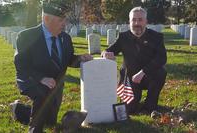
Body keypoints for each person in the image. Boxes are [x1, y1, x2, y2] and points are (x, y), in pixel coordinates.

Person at [14, 1, 92, 132]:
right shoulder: (26, 36)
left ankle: (18, 109)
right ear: (46, 19)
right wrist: (41, 78)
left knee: (50, 121)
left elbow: (68, 59)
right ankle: (34, 129)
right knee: (42, 93)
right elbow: (21, 65)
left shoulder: (65, 38)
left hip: (55, 84)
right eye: (61, 20)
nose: (64, 23)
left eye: (65, 20)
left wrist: (80, 59)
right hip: (30, 78)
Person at [101, 7, 167, 115]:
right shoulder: (123, 37)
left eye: (140, 19)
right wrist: (105, 53)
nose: (137, 23)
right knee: (129, 110)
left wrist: (143, 72)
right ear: (129, 21)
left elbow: (162, 58)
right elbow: (109, 50)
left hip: (149, 76)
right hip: (129, 78)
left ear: (146, 21)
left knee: (161, 72)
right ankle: (134, 101)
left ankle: (150, 104)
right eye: (134, 20)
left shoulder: (156, 37)